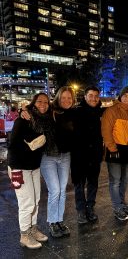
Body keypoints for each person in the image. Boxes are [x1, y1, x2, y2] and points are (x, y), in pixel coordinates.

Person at [7, 93, 51, 249]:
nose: (43, 104)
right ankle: (24, 235)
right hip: (19, 166)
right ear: (33, 103)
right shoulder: (23, 119)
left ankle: (32, 229)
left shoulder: (44, 120)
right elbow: (12, 145)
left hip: (34, 167)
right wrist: (31, 147)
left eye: (46, 102)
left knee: (36, 200)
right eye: (39, 101)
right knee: (27, 203)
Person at [101, 86, 128, 221]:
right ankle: (117, 207)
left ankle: (121, 203)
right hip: (116, 150)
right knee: (115, 181)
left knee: (125, 179)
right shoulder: (111, 111)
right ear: (120, 97)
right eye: (125, 96)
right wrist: (112, 149)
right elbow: (106, 131)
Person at [40, 86, 76, 238]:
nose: (66, 100)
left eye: (69, 98)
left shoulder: (73, 114)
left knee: (62, 190)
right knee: (55, 190)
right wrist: (24, 109)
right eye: (63, 98)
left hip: (65, 156)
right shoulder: (50, 111)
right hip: (49, 156)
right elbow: (36, 110)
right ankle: (52, 222)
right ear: (58, 98)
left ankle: (59, 220)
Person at [71, 86, 104, 224]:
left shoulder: (101, 112)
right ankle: (80, 211)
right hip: (79, 154)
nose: (93, 98)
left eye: (96, 96)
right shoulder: (76, 111)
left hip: (95, 155)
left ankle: (90, 207)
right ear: (85, 97)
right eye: (90, 95)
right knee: (79, 184)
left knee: (93, 183)